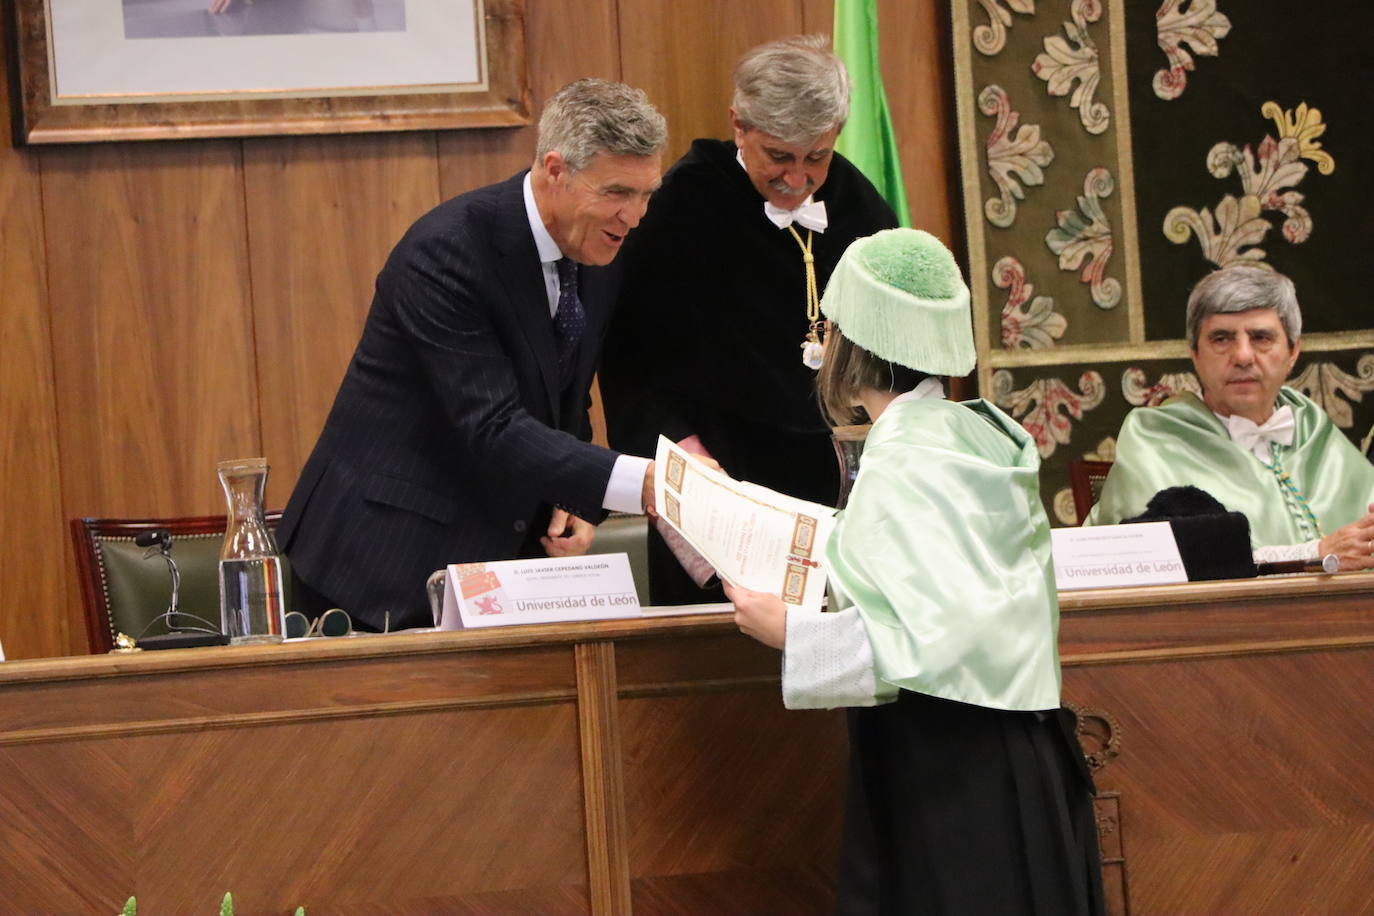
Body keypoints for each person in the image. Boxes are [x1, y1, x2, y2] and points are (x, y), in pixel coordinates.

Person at [727, 229, 1104, 915]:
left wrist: (792, 632)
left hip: (955, 772)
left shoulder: (907, 460)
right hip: (1018, 751)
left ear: (849, 344)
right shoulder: (968, 435)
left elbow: (926, 642)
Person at [278, 79, 668, 631]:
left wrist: (573, 496)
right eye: (617, 193)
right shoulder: (447, 251)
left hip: (501, 567)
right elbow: (492, 425)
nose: (635, 215)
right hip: (381, 562)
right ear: (555, 169)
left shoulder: (598, 246)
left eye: (647, 193)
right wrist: (645, 483)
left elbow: (563, 395)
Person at [598, 35, 898, 606]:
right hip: (725, 481)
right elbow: (632, 359)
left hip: (843, 487)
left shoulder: (852, 197)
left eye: (816, 156)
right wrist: (691, 469)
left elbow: (900, 339)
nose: (798, 179)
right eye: (778, 157)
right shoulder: (681, 206)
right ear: (739, 125)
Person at [1085, 265, 1374, 571]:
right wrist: (1315, 553)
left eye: (1261, 337)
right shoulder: (1154, 439)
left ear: (1293, 351)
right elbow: (1156, 564)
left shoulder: (1312, 426)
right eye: (1222, 339)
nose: (1243, 356)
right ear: (1195, 354)